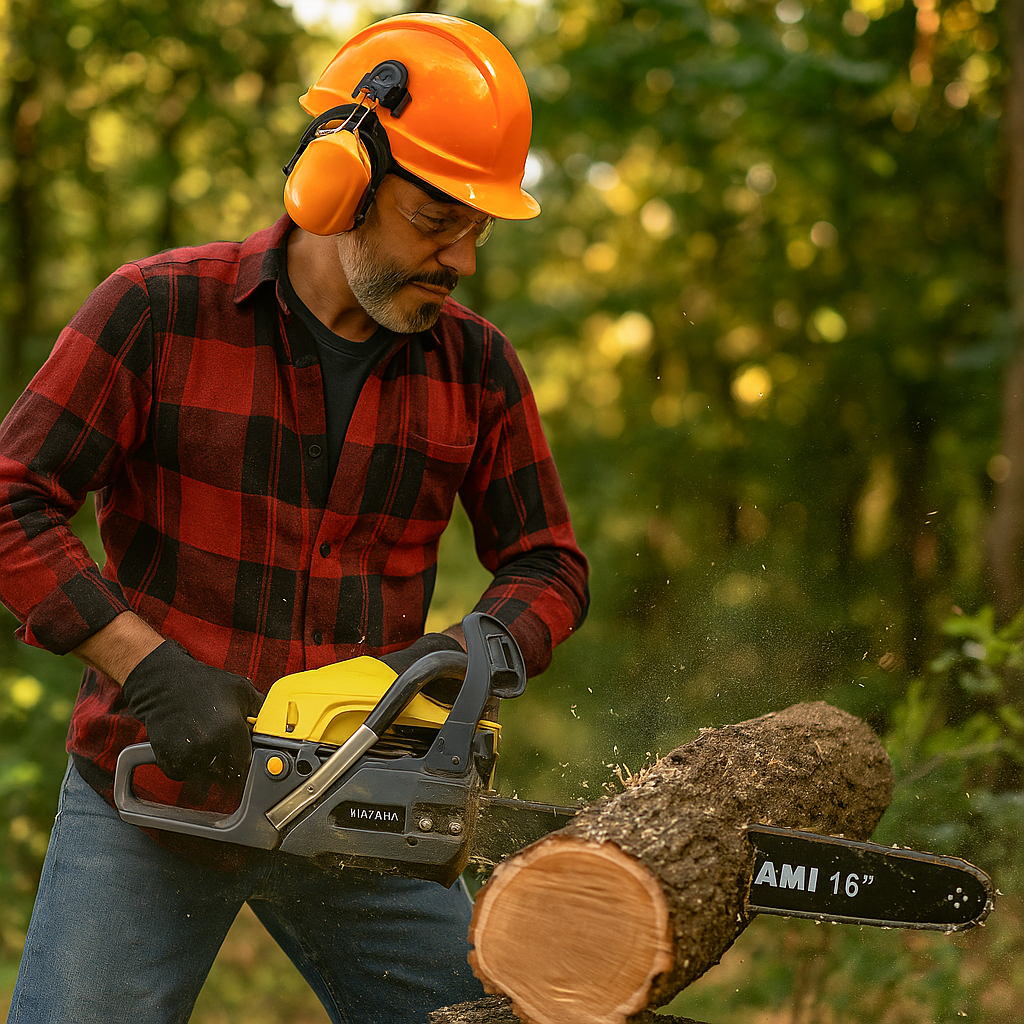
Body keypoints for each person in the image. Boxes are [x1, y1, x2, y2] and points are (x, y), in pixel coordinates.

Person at [0, 13, 589, 1024]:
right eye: (436, 219)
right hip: (158, 794)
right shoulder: (159, 311)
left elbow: (549, 564)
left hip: (368, 805)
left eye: (478, 228)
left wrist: (463, 656)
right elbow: (11, 496)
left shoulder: (476, 367)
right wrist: (149, 669)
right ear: (341, 182)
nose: (461, 256)